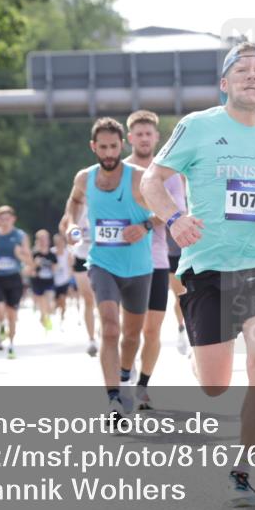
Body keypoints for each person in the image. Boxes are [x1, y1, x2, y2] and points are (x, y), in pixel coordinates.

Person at [141, 42, 255, 505]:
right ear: (224, 84)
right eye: (242, 70)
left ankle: (243, 466)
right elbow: (151, 180)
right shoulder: (197, 126)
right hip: (207, 266)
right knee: (215, 385)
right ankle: (194, 341)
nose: (252, 76)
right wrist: (174, 219)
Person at [64, 117, 156, 426]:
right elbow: (74, 204)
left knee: (131, 336)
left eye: (113, 147)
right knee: (110, 328)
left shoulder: (140, 178)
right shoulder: (83, 178)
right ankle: (114, 398)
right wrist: (73, 225)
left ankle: (126, 376)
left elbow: (168, 212)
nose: (108, 153)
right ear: (93, 147)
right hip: (102, 263)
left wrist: (144, 226)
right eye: (102, 147)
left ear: (122, 145)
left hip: (139, 267)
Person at [122, 110, 189, 409]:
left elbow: (175, 210)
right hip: (120, 261)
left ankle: (142, 386)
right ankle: (126, 371)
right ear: (130, 138)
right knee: (128, 329)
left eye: (149, 133)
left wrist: (147, 224)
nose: (145, 138)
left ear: (157, 137)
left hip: (157, 261)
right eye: (139, 134)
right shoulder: (117, 172)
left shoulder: (168, 173)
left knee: (151, 329)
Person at [0, 206, 32, 359]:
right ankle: (0, 326)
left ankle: (11, 344)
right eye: (1, 218)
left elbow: (29, 260)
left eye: (7, 218)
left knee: (12, 314)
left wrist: (19, 254)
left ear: (13, 219)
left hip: (14, 277)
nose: (4, 221)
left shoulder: (20, 235)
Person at [62, 207, 98, 357]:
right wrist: (72, 236)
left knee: (105, 298)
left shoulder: (107, 194)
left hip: (102, 254)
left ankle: (107, 331)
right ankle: (91, 339)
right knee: (88, 299)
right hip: (80, 257)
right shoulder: (76, 202)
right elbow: (65, 225)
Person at [30, 229, 57, 331]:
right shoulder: (34, 254)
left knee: (49, 301)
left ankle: (46, 317)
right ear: (37, 240)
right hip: (37, 282)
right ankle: (43, 316)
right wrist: (35, 264)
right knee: (42, 303)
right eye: (41, 239)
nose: (43, 241)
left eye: (45, 239)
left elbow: (55, 267)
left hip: (49, 281)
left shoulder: (52, 254)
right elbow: (29, 269)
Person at [52, 233, 73, 330]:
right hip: (53, 281)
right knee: (56, 302)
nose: (59, 243)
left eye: (61, 241)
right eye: (57, 242)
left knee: (63, 300)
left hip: (64, 280)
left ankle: (62, 318)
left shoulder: (67, 252)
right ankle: (56, 313)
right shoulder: (51, 252)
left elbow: (71, 265)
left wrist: (70, 275)